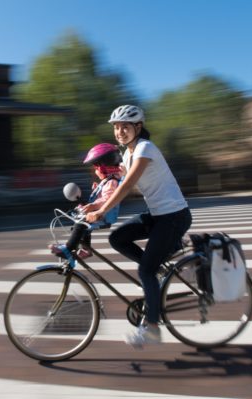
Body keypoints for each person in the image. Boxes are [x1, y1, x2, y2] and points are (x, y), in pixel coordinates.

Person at [85, 105, 192, 348]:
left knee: (145, 271)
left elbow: (128, 184)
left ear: (138, 127)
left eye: (125, 127)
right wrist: (95, 205)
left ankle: (152, 329)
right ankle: (157, 267)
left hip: (174, 216)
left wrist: (102, 212)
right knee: (118, 239)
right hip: (157, 215)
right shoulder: (128, 154)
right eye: (116, 127)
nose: (120, 132)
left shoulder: (145, 149)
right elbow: (119, 186)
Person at [49, 143, 123, 261]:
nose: (95, 171)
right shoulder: (108, 182)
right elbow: (103, 196)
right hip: (101, 212)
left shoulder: (111, 182)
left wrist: (93, 205)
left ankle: (68, 249)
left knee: (81, 224)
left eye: (96, 168)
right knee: (80, 226)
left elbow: (107, 200)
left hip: (105, 215)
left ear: (103, 167)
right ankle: (86, 249)